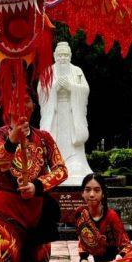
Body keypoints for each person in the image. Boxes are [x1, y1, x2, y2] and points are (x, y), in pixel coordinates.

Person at [0, 90, 68, 262]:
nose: (21, 105)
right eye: (14, 100)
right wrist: (12, 140)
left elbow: (61, 170)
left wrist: (37, 186)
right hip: (8, 209)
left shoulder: (44, 138)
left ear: (34, 106)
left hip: (37, 210)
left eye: (26, 100)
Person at [38, 41, 92, 185]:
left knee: (74, 149)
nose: (63, 58)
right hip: (54, 115)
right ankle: (53, 166)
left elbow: (85, 90)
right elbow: (41, 92)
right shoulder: (47, 72)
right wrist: (54, 88)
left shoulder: (77, 71)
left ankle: (75, 165)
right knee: (53, 142)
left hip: (71, 114)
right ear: (54, 56)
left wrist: (71, 87)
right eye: (60, 55)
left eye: (66, 55)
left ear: (70, 56)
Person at [75, 173, 131, 262]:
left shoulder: (111, 216)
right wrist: (83, 259)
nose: (92, 195)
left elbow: (127, 246)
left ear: (103, 193)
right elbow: (82, 242)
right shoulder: (80, 214)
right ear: (82, 193)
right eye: (87, 190)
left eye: (97, 190)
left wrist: (119, 257)